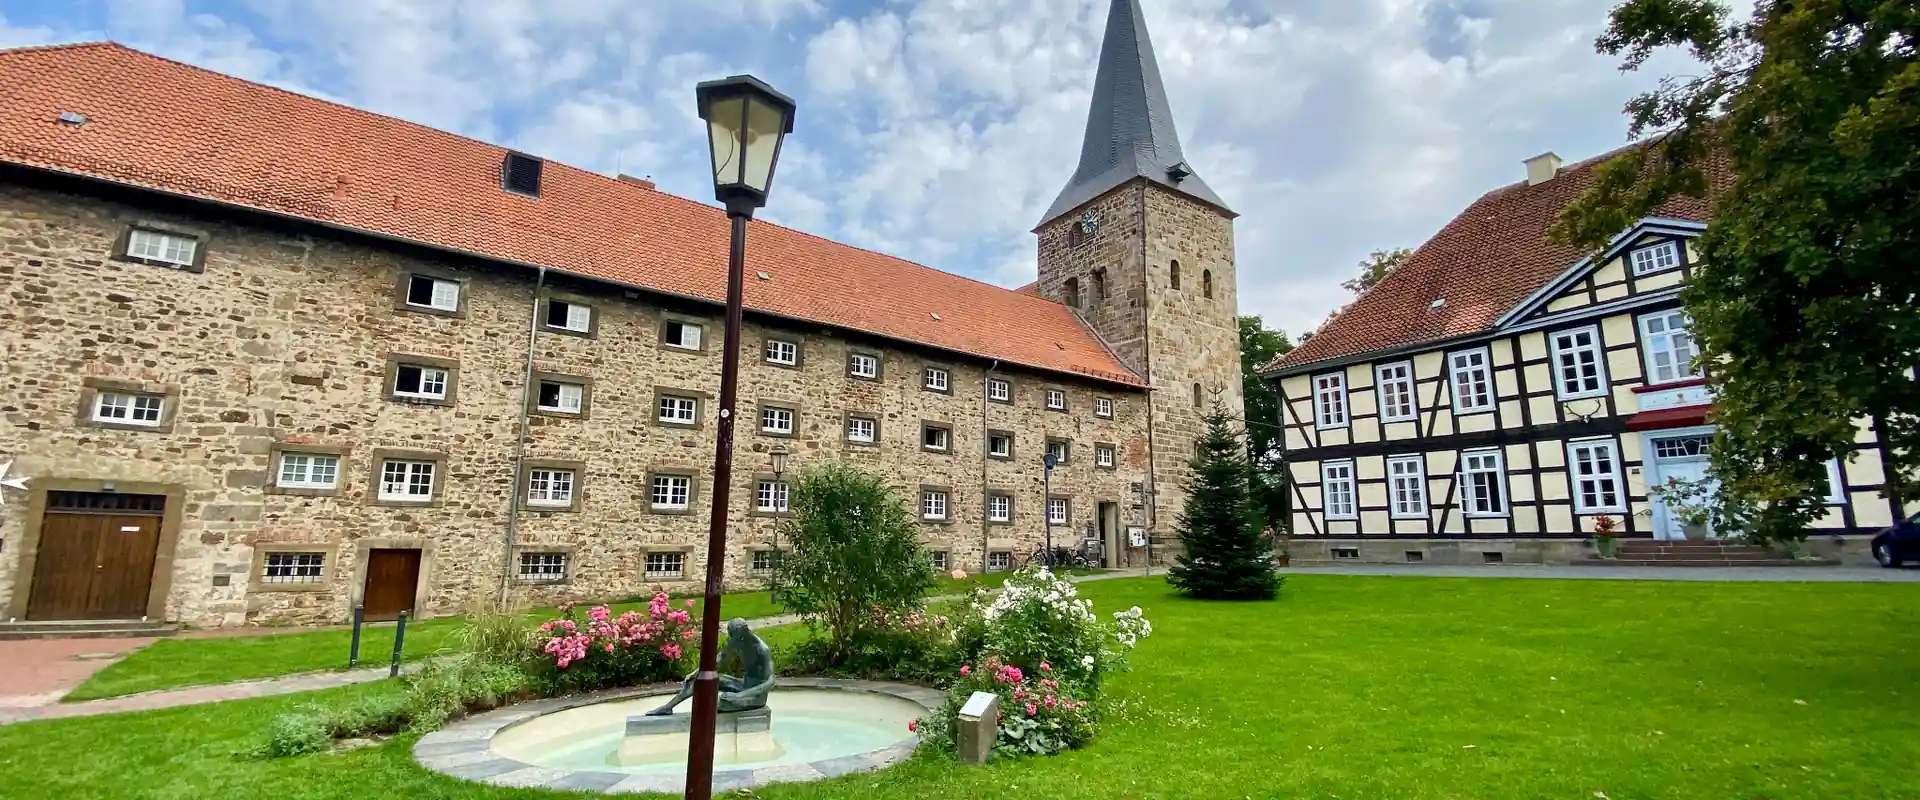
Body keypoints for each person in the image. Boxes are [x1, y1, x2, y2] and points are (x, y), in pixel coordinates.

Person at [645, 618, 774, 716]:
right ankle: (668, 707)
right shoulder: (737, 641)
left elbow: (771, 682)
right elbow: (721, 658)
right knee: (700, 680)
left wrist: (739, 696)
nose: (732, 641)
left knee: (721, 701)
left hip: (756, 696)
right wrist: (698, 672)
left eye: (735, 638)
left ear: (745, 632)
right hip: (743, 686)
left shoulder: (761, 650)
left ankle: (703, 732)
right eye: (731, 637)